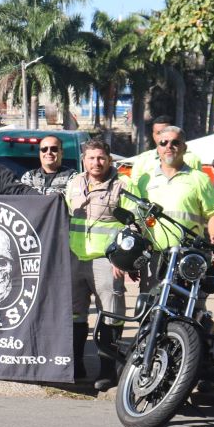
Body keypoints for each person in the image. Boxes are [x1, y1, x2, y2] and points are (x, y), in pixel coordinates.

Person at [65, 139, 128, 388]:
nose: (96, 162)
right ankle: (76, 365)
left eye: (101, 157)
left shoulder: (123, 185)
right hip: (75, 258)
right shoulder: (75, 183)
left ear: (109, 159)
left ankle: (107, 371)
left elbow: (133, 225)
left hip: (106, 260)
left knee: (111, 315)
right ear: (84, 160)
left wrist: (122, 259)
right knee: (74, 313)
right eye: (91, 158)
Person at [128, 124, 214, 262]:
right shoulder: (144, 180)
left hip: (188, 254)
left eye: (175, 142)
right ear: (158, 148)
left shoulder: (199, 178)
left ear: (184, 148)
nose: (169, 146)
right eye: (163, 143)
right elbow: (136, 217)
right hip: (152, 255)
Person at [129, 115, 202, 179]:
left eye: (166, 132)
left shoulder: (191, 159)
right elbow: (135, 188)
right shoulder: (142, 160)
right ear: (153, 136)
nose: (162, 137)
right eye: (158, 133)